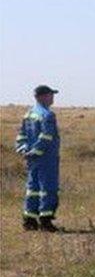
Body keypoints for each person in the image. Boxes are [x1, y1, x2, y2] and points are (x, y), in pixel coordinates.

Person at [15, 85, 62, 232]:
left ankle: (29, 220)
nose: (52, 97)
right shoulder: (47, 115)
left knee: (32, 188)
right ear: (42, 97)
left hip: (32, 158)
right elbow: (46, 137)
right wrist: (36, 151)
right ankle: (45, 221)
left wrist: (24, 150)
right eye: (50, 94)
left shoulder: (28, 114)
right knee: (48, 188)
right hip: (45, 158)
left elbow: (21, 136)